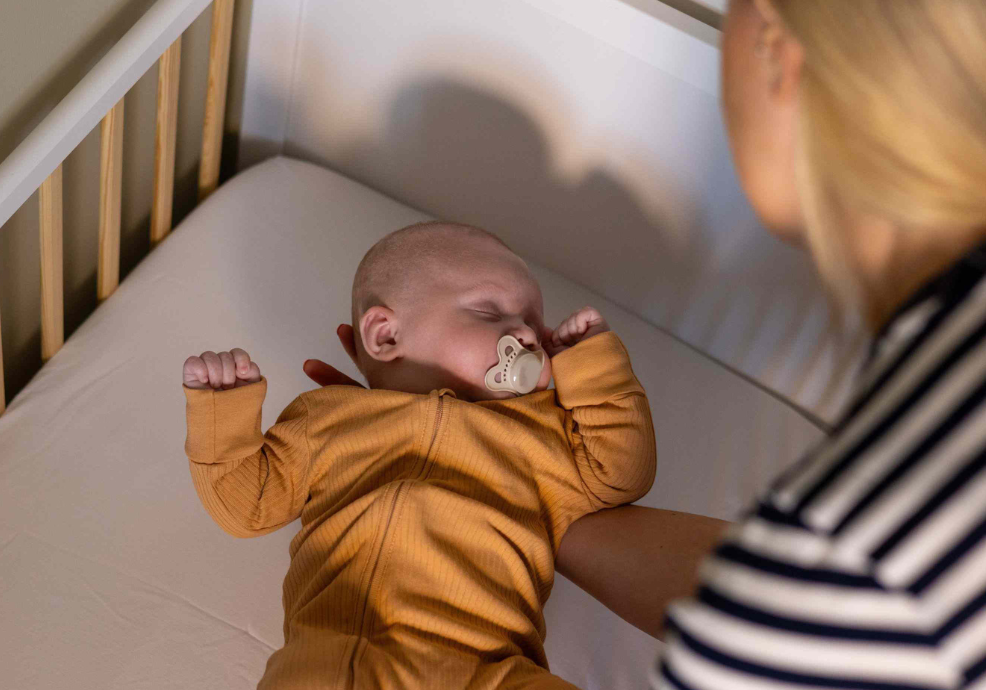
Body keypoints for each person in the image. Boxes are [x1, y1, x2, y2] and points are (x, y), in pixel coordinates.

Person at [304, 0, 986, 687]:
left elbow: (789, 597)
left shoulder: (843, 569)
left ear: (777, 47)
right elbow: (770, 588)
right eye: (490, 310)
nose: (526, 335)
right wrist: (479, 476)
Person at [181, 222, 656, 688]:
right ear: (386, 336)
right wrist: (225, 415)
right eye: (492, 313)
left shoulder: (544, 432)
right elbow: (249, 505)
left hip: (491, 667)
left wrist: (591, 366)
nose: (529, 335)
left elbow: (620, 474)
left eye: (533, 321)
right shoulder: (326, 416)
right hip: (338, 657)